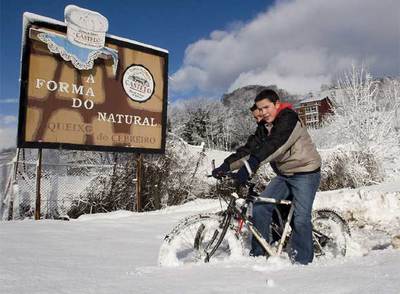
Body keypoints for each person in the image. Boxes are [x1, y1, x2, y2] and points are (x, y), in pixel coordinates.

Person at [212, 89, 321, 265]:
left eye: (266, 107)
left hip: (305, 173)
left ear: (277, 104)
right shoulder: (264, 127)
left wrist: (250, 166)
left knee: (301, 218)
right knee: (261, 207)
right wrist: (226, 166)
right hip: (284, 174)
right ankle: (260, 255)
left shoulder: (288, 119)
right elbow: (249, 150)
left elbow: (275, 145)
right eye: (260, 109)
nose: (263, 112)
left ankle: (303, 263)